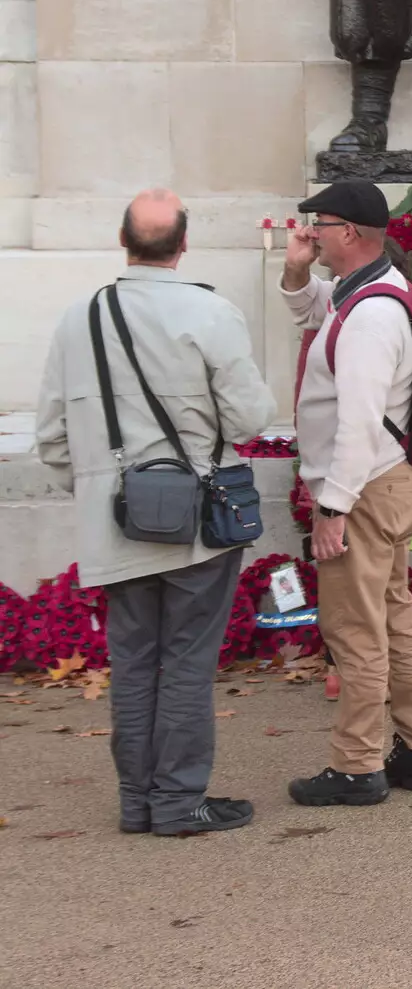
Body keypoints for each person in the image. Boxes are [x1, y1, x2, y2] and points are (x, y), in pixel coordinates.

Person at [35, 189, 277, 835]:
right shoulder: (211, 312)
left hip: (113, 521)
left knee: (135, 662)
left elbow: (52, 439)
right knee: (189, 661)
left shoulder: (77, 318)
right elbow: (253, 418)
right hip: (198, 520)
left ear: (123, 240)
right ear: (184, 245)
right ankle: (177, 800)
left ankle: (137, 801)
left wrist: (97, 489)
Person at [279, 180, 412, 807]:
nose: (310, 233)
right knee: (396, 617)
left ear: (348, 232)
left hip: (367, 485)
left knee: (354, 628)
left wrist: (332, 507)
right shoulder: (372, 293)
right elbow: (311, 314)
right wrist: (296, 271)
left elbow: (358, 419)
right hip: (391, 479)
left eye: (318, 225)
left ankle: (356, 766)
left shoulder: (372, 313)